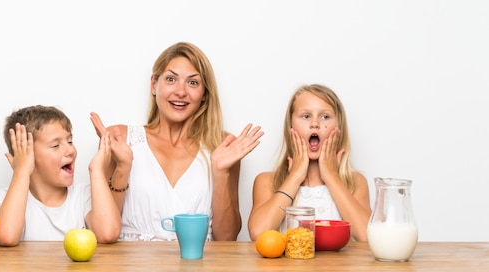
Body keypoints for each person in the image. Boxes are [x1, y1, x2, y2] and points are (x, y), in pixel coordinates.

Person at [90, 42, 264, 241]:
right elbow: (104, 231)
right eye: (171, 79)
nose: (180, 92)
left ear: (205, 94)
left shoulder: (223, 146)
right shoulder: (120, 138)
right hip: (131, 267)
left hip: (196, 268)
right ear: (154, 85)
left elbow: (226, 238)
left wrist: (221, 171)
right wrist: (122, 167)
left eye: (193, 83)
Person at [247, 84, 371, 242]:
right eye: (306, 116)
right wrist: (296, 176)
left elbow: (367, 237)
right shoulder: (267, 182)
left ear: (338, 127)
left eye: (325, 117)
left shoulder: (355, 182)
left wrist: (331, 176)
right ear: (291, 126)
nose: (315, 123)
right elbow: (258, 233)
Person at [0, 105, 120, 246]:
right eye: (55, 145)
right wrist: (21, 171)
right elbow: (6, 237)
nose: (70, 150)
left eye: (70, 141)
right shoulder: (6, 198)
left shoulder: (83, 196)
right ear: (26, 157)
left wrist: (96, 169)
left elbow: (109, 233)